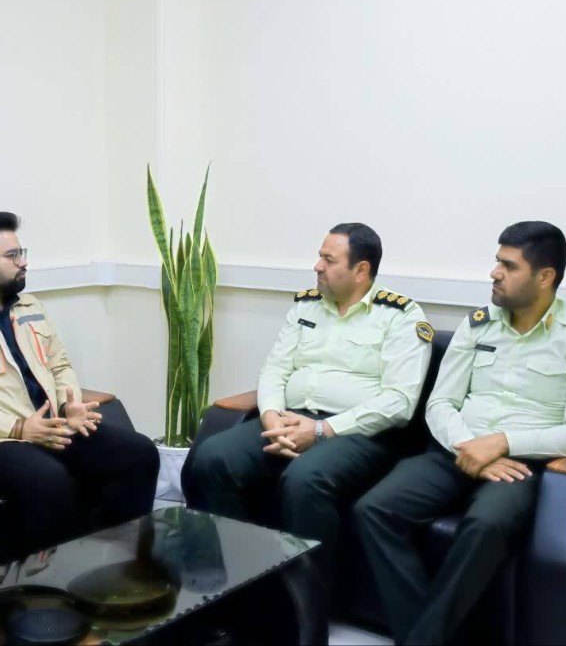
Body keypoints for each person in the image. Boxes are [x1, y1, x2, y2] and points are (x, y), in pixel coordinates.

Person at [354, 221, 566, 645]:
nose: (495, 273)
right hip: (454, 449)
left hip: (519, 465)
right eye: (497, 262)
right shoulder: (476, 325)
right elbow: (440, 403)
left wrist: (502, 443)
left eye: (509, 266)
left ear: (545, 277)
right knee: (374, 509)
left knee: (486, 523)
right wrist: (469, 446)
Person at [183, 222, 433, 581]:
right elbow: (275, 369)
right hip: (289, 419)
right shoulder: (307, 306)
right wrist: (271, 416)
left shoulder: (401, 316)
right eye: (320, 257)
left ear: (361, 270)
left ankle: (309, 599)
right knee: (212, 456)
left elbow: (399, 402)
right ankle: (236, 579)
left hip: (357, 432)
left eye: (329, 260)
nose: (317, 266)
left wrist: (320, 430)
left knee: (304, 479)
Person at [0, 212, 159, 552]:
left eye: (22, 253)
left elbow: (59, 364)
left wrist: (68, 404)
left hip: (53, 425)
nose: (24, 262)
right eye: (13, 255)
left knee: (139, 453)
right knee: (48, 482)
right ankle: (50, 579)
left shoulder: (31, 307)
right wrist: (18, 427)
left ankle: (118, 561)